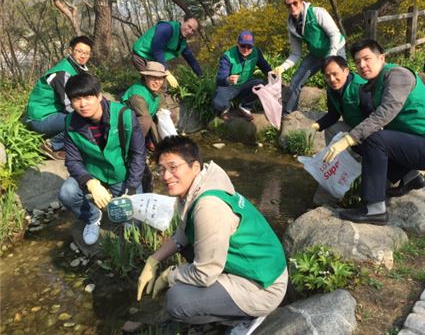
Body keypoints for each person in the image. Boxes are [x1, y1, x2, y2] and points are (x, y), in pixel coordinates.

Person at [136, 136, 287, 332]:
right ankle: (224, 301)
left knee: (177, 301)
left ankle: (245, 317)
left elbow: (204, 274)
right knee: (189, 247)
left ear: (195, 167)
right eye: (162, 169)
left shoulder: (208, 207)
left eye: (173, 167)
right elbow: (184, 232)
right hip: (259, 268)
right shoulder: (201, 185)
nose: (165, 176)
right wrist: (154, 259)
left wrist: (170, 275)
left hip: (263, 286)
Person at [322, 39, 425, 225]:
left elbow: (386, 112)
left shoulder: (397, 75)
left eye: (367, 59)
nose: (363, 65)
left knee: (373, 138)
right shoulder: (373, 85)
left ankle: (375, 209)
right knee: (366, 140)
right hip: (415, 143)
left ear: (381, 58)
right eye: (358, 62)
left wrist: (349, 138)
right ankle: (411, 178)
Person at [58, 73, 146, 245]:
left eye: (87, 97)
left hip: (121, 173)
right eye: (76, 99)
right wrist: (90, 182)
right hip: (93, 172)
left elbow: (138, 154)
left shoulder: (124, 115)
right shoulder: (70, 123)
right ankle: (92, 216)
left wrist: (132, 189)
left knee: (135, 223)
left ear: (99, 95)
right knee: (67, 193)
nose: (82, 104)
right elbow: (73, 161)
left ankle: (128, 214)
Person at [273, 0, 346, 115]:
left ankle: (344, 113)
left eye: (295, 3)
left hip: (335, 49)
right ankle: (290, 114)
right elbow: (296, 53)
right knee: (296, 81)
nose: (292, 7)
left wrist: (331, 57)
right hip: (315, 54)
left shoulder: (317, 12)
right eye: (288, 5)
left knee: (338, 81)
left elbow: (335, 34)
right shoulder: (291, 25)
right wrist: (282, 67)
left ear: (301, 2)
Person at [26, 36, 94, 159]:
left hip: (54, 112)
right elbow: (68, 105)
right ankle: (51, 144)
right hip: (40, 117)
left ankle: (67, 144)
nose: (83, 56)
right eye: (79, 51)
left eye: (86, 53)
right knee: (84, 120)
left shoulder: (75, 69)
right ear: (70, 50)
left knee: (87, 116)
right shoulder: (62, 73)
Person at [212, 31, 272, 121]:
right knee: (218, 103)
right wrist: (228, 79)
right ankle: (225, 109)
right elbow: (220, 78)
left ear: (253, 45)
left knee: (262, 84)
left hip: (245, 85)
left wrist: (274, 77)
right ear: (238, 44)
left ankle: (244, 107)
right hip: (229, 87)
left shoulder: (256, 52)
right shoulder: (227, 56)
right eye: (243, 46)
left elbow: (265, 67)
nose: (246, 49)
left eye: (249, 46)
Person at [310, 55, 370, 141]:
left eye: (335, 74)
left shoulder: (361, 88)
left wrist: (352, 137)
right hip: (352, 126)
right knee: (331, 128)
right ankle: (332, 154)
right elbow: (333, 114)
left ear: (346, 71)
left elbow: (374, 120)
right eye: (327, 76)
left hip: (370, 130)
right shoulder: (332, 89)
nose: (332, 79)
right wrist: (316, 126)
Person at [132, 18, 203, 88]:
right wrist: (167, 72)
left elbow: (191, 60)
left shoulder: (182, 43)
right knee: (155, 84)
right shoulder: (167, 28)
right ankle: (135, 95)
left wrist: (201, 76)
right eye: (189, 26)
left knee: (161, 85)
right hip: (141, 56)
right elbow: (157, 50)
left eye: (193, 31)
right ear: (183, 21)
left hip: (153, 59)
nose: (189, 31)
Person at [122, 61, 168, 147]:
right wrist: (162, 147)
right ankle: (132, 148)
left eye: (160, 78)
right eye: (153, 78)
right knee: (146, 120)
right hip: (126, 127)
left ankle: (150, 142)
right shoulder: (137, 94)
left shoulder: (157, 91)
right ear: (146, 77)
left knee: (164, 114)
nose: (157, 82)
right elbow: (148, 119)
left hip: (146, 122)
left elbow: (161, 109)